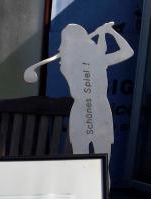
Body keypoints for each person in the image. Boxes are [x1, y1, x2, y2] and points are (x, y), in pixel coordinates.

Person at [24, 22, 133, 161]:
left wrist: (107, 32)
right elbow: (117, 52)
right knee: (82, 160)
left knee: (103, 163)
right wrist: (107, 32)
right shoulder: (69, 65)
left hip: (98, 113)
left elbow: (127, 52)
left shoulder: (93, 60)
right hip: (85, 114)